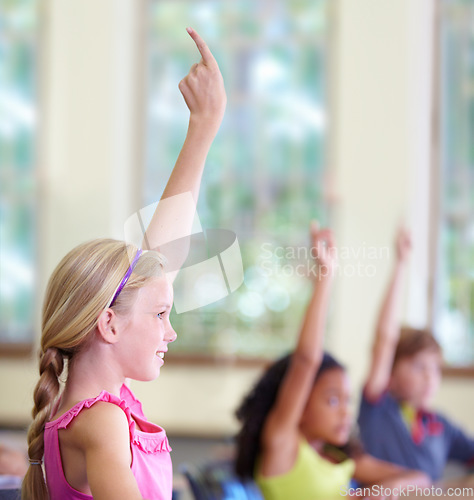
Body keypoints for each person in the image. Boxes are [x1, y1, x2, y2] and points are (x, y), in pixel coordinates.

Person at [21, 28, 226, 500]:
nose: (170, 331)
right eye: (160, 316)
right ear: (108, 324)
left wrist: (204, 125)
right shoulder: (102, 421)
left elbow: (161, 262)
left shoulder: (95, 408)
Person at [235, 223, 430, 500]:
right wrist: (326, 276)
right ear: (298, 404)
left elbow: (419, 478)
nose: (346, 413)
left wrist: (386, 489)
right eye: (332, 401)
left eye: (347, 400)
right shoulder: (283, 446)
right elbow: (306, 360)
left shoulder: (338, 458)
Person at [358, 227, 474, 481]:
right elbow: (384, 341)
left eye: (435, 369)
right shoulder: (378, 408)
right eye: (419, 367)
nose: (430, 377)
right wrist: (401, 264)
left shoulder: (440, 426)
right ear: (390, 371)